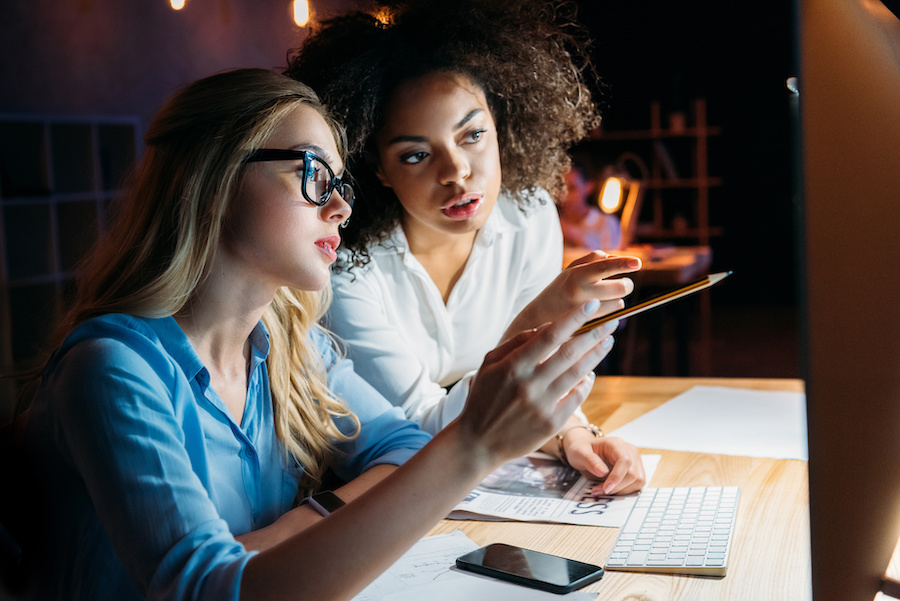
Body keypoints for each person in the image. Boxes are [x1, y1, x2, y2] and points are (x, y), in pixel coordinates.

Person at [9, 68, 618, 600]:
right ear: (213, 180)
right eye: (311, 173)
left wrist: (284, 534)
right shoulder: (113, 369)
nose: (340, 208)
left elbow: (404, 449)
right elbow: (208, 593)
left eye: (341, 183)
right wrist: (474, 447)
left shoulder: (295, 352)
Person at [286, 0, 645, 495]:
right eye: (415, 154)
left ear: (502, 125)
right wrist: (535, 320)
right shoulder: (345, 264)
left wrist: (574, 435)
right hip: (377, 498)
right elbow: (419, 430)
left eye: (473, 134)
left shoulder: (529, 214)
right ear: (376, 169)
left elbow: (533, 382)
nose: (455, 171)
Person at [559, 163, 623, 253]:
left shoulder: (607, 223)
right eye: (560, 188)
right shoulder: (553, 221)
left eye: (572, 188)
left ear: (588, 187)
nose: (564, 195)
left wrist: (571, 233)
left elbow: (610, 259)